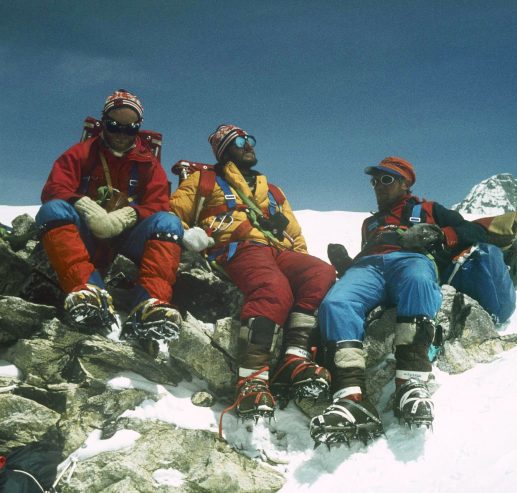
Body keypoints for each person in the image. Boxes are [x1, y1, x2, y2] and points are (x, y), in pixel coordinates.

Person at [309, 156, 488, 446]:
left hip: (412, 260)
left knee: (418, 281)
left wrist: (439, 234)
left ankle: (411, 382)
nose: (378, 185)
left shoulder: (429, 209)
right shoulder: (371, 223)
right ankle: (350, 395)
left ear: (406, 183)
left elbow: (476, 231)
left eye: (386, 179)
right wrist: (347, 264)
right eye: (375, 180)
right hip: (368, 267)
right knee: (336, 303)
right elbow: (372, 257)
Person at [169, 124, 336, 425]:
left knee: (320, 273)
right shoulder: (203, 181)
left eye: (250, 139)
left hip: (278, 251)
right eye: (239, 142)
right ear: (223, 151)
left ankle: (294, 356)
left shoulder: (272, 191)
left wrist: (300, 259)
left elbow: (295, 235)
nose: (249, 145)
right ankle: (252, 378)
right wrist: (188, 235)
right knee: (274, 289)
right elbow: (171, 214)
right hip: (238, 247)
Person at [35, 89, 183, 349]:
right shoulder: (81, 153)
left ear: (137, 129)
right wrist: (85, 206)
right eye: (114, 125)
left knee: (170, 224)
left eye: (129, 128)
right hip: (88, 236)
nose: (120, 134)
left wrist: (127, 215)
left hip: (128, 240)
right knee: (52, 211)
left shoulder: (148, 164)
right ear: (104, 122)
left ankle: (149, 303)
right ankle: (86, 289)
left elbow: (158, 203)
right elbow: (53, 189)